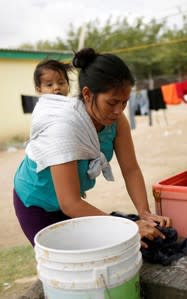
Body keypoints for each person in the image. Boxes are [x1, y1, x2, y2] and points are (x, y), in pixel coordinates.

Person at [13, 48, 171, 248]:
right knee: (66, 264)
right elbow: (69, 203)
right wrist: (127, 228)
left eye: (124, 102)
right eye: (112, 102)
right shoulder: (64, 127)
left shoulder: (117, 121)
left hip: (71, 202)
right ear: (87, 94)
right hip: (37, 201)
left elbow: (130, 169)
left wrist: (144, 213)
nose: (118, 110)